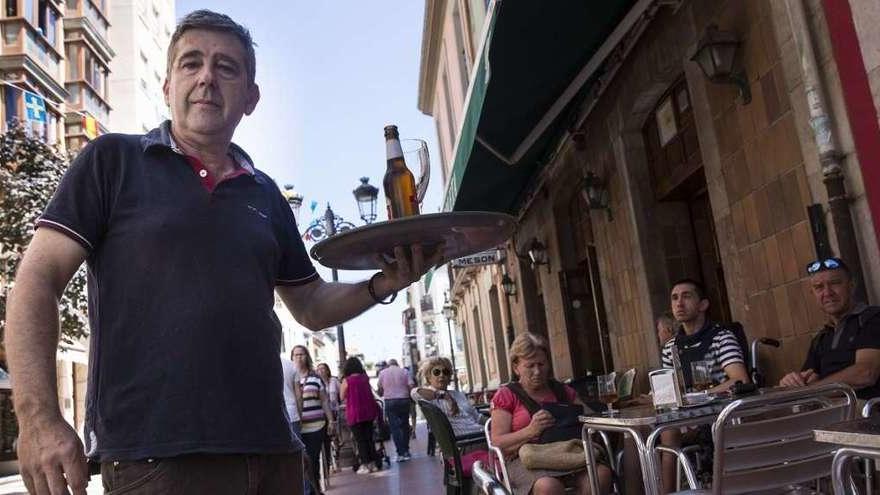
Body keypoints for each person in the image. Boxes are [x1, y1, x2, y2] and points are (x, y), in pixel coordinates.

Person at [3, 10, 437, 494]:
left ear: (250, 98)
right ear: (167, 85)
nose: (207, 77)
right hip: (158, 461)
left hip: (273, 452)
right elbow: (37, 281)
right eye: (191, 63)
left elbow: (311, 305)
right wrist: (38, 418)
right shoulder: (111, 161)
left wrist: (383, 284)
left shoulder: (266, 195)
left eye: (226, 67)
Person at [490, 333, 611, 495]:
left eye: (541, 364)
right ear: (516, 368)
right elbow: (497, 442)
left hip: (566, 455)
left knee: (600, 475)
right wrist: (530, 430)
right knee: (549, 487)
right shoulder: (507, 395)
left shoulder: (562, 391)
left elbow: (590, 419)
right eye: (530, 366)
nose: (537, 371)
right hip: (526, 461)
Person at [659, 279, 749, 493]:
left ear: (703, 305)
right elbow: (668, 389)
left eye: (687, 296)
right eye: (674, 298)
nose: (679, 303)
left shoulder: (721, 337)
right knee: (661, 431)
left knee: (668, 433)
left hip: (721, 416)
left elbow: (740, 380)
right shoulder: (670, 347)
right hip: (684, 419)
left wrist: (702, 395)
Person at [779, 257, 880, 399]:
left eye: (835, 283)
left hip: (870, 413)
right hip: (833, 413)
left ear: (851, 285)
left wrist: (811, 390)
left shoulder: (872, 318)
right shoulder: (822, 338)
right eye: (819, 287)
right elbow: (808, 379)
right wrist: (792, 381)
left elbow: (866, 373)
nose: (827, 292)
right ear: (812, 293)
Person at [293, 346, 335, 495]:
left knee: (312, 460)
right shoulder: (289, 377)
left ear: (307, 357)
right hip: (297, 426)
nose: (299, 358)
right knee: (299, 463)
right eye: (296, 355)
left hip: (316, 426)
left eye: (302, 354)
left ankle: (314, 489)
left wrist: (331, 421)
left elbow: (324, 401)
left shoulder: (315, 378)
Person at [412, 356, 486, 438]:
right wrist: (444, 396)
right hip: (466, 442)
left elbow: (478, 418)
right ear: (429, 377)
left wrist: (495, 421)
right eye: (437, 372)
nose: (442, 375)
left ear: (449, 377)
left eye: (445, 372)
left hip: (481, 434)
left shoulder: (458, 394)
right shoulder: (431, 399)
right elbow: (414, 393)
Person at [340, 357, 382, 473]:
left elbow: (342, 396)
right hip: (368, 412)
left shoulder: (346, 381)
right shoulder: (365, 378)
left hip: (354, 413)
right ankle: (373, 463)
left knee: (360, 441)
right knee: (369, 439)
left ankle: (365, 464)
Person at [377, 358, 414, 461]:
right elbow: (411, 385)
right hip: (404, 399)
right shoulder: (404, 371)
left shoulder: (383, 373)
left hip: (390, 401)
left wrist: (382, 393)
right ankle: (406, 450)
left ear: (388, 365)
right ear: (397, 364)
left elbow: (379, 388)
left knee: (394, 428)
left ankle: (400, 452)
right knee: (405, 425)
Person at [316, 363, 340, 473]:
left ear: (327, 370)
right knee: (326, 439)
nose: (321, 371)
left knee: (335, 438)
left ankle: (336, 460)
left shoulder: (334, 381)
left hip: (334, 412)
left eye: (323, 369)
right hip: (322, 414)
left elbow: (341, 394)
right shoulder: (316, 382)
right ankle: (329, 463)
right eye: (319, 369)